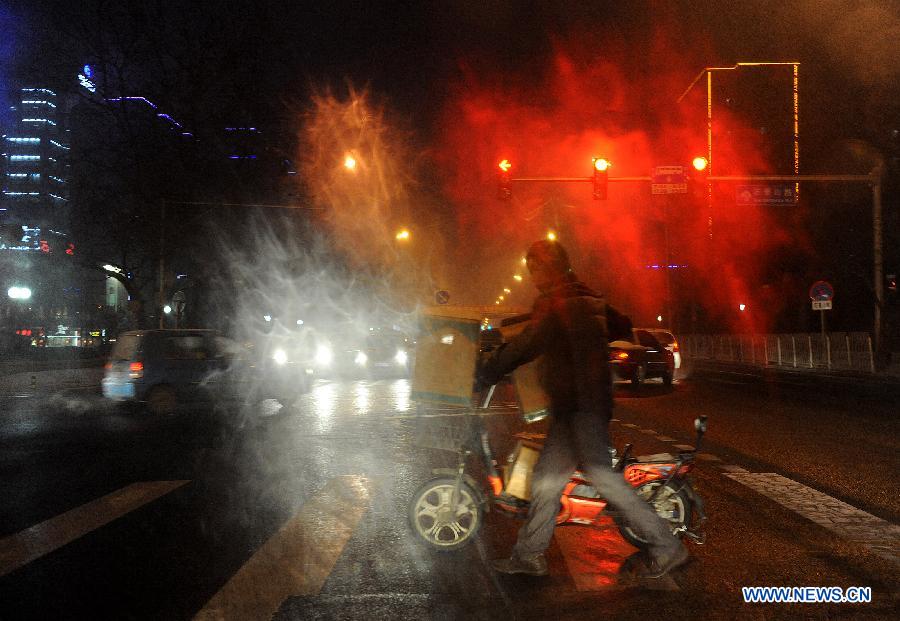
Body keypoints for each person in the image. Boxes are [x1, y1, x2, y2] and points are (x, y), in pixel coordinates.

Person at [479, 239, 689, 579]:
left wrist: (487, 371)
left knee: (603, 477)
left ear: (550, 268)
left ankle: (668, 546)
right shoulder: (589, 298)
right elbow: (623, 324)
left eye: (535, 270)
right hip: (576, 406)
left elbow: (526, 344)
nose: (533, 278)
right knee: (547, 479)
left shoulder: (556, 303)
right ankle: (528, 555)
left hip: (582, 406)